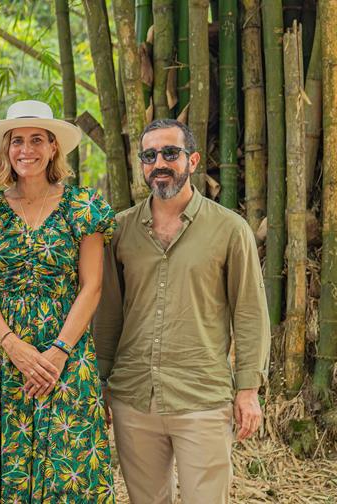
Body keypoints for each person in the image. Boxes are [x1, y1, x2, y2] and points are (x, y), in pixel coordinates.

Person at [94, 118, 270, 504]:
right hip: (134, 396)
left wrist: (248, 389)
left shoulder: (229, 229)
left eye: (170, 153)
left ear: (191, 160)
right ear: (141, 164)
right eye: (150, 155)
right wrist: (102, 382)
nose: (160, 162)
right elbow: (107, 314)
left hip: (202, 397)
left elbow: (250, 312)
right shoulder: (119, 230)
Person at [0, 100, 116, 502]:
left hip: (66, 350)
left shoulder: (83, 207)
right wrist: (14, 347)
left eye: (37, 140)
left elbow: (92, 286)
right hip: (0, 354)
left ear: (54, 147)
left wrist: (58, 351)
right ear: (6, 150)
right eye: (18, 141)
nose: (27, 149)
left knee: (67, 463)